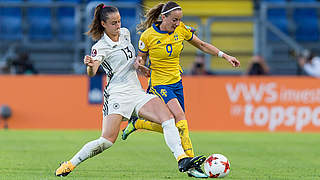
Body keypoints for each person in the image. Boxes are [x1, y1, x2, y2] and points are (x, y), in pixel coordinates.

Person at [55, 3, 205, 177]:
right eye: (113, 23)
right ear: (103, 24)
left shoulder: (125, 33)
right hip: (117, 95)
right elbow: (92, 72)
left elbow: (139, 51)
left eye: (119, 21)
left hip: (136, 91)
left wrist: (140, 67)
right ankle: (70, 164)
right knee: (106, 141)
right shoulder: (100, 47)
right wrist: (89, 66)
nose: (118, 26)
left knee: (168, 119)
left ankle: (182, 159)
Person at [121, 1, 240, 178]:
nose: (177, 23)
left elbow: (202, 45)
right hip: (159, 84)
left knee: (177, 126)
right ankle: (191, 163)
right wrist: (140, 66)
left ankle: (138, 123)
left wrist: (225, 56)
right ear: (164, 17)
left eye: (179, 20)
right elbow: (140, 59)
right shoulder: (148, 36)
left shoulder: (181, 30)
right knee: (181, 117)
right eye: (174, 20)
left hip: (176, 82)